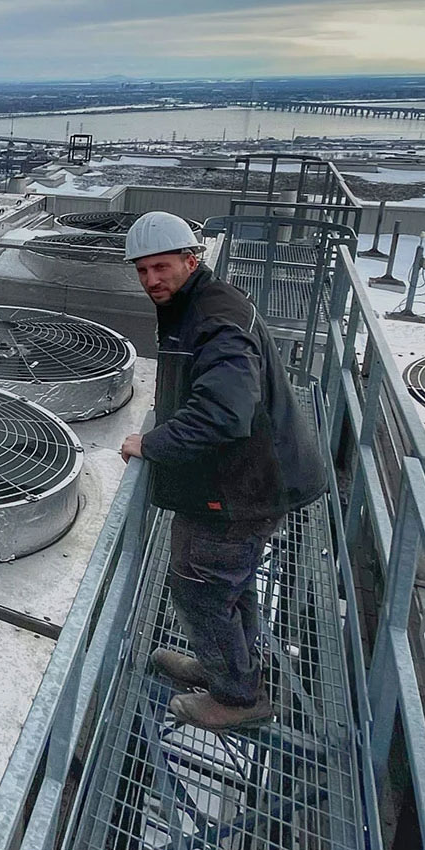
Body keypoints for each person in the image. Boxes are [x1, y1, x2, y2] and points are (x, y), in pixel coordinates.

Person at [117, 212, 329, 730]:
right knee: (228, 588)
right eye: (142, 271)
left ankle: (237, 698)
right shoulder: (205, 303)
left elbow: (223, 414)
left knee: (200, 591)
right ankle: (227, 668)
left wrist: (150, 443)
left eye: (161, 267)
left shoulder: (214, 319)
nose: (151, 281)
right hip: (245, 481)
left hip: (239, 491)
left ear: (192, 260)